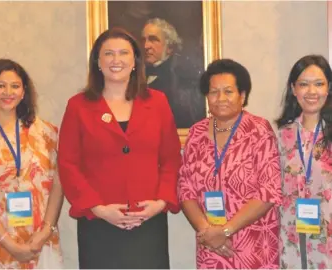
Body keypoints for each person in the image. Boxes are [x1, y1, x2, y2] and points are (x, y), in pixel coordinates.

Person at [58, 27, 181, 269]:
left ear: (135, 61)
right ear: (98, 62)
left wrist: (161, 202)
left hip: (148, 222)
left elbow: (171, 159)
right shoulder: (78, 106)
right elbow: (68, 164)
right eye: (109, 54)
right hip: (99, 222)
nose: (116, 60)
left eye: (124, 53)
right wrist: (98, 208)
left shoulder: (157, 102)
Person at [177, 59, 282, 269]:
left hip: (253, 246)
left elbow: (269, 191)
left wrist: (225, 231)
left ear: (242, 96)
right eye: (214, 92)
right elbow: (185, 189)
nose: (220, 98)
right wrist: (207, 232)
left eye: (228, 91)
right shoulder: (196, 133)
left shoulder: (258, 130)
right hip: (211, 246)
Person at [0, 59, 63, 269]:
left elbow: (59, 184)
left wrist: (45, 232)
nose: (8, 92)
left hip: (40, 241)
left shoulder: (47, 133)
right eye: (0, 86)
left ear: (24, 92)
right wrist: (8, 243)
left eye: (15, 86)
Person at [276, 55, 332, 269]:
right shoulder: (282, 136)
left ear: (328, 88)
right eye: (304, 84)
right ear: (293, 89)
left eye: (319, 84)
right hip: (290, 236)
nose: (311, 92)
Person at [142, 18, 206, 128]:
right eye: (144, 40)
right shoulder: (136, 75)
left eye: (153, 40)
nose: (146, 46)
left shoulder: (181, 79)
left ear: (170, 48)